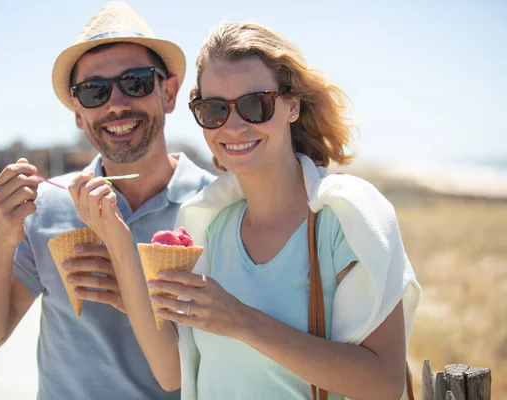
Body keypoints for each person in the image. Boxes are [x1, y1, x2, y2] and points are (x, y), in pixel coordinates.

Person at [70, 21, 422, 399]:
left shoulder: (347, 217)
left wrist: (241, 321)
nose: (234, 126)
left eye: (256, 105)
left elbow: (385, 383)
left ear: (291, 105)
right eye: (214, 110)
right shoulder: (208, 226)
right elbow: (172, 372)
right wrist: (119, 241)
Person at [0, 3, 214, 399]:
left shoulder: (219, 206)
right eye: (94, 91)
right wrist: (2, 237)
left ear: (169, 92)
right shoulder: (44, 206)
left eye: (136, 83)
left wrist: (135, 292)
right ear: (78, 113)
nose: (115, 104)